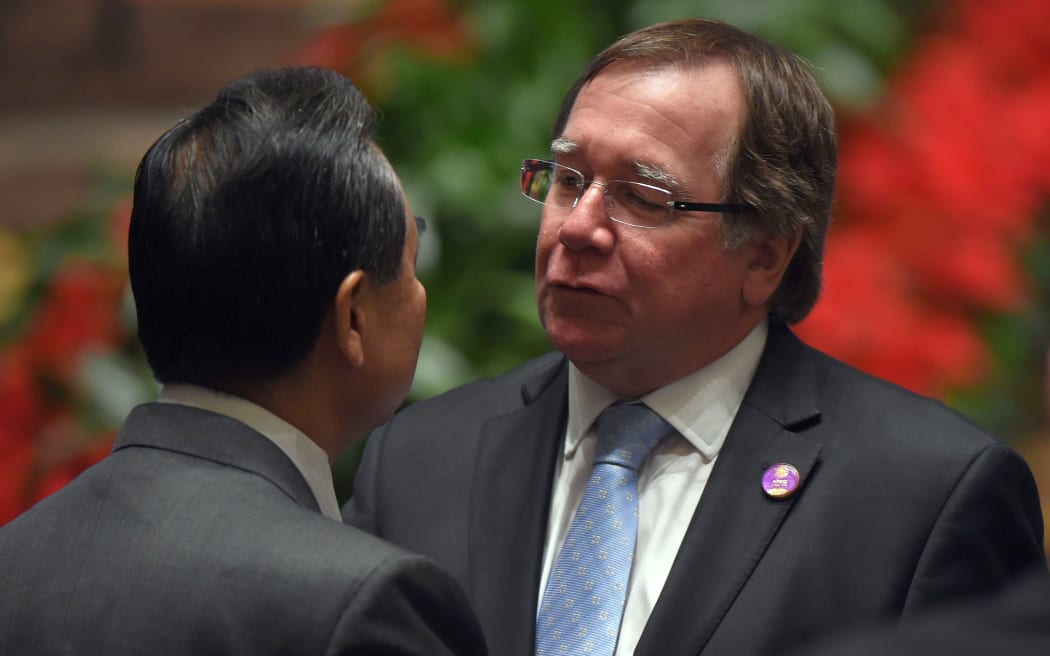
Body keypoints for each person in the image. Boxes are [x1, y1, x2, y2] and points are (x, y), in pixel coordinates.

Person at [343, 18, 1046, 656]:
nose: (579, 227)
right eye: (567, 180)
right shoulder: (420, 458)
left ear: (766, 254)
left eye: (643, 197)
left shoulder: (926, 497)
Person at [0, 66, 487, 656]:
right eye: (412, 257)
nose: (420, 294)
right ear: (353, 317)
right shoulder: (360, 604)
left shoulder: (15, 561)